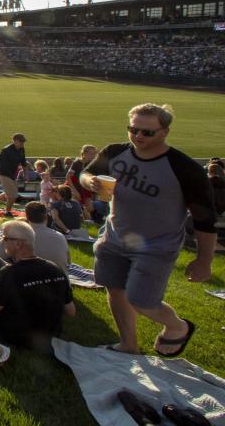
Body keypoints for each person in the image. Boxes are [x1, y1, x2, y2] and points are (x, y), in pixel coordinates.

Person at [80, 103, 216, 356]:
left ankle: (178, 327)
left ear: (165, 131)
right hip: (113, 237)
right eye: (133, 129)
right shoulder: (116, 151)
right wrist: (92, 182)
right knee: (115, 288)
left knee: (142, 301)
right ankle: (128, 344)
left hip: (156, 245)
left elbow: (205, 220)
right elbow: (87, 174)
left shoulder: (184, 168)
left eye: (147, 132)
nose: (138, 136)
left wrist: (204, 260)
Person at [0, 220, 75, 351]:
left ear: (18, 244)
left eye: (4, 238)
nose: (2, 242)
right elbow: (71, 311)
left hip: (19, 337)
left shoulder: (10, 274)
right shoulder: (55, 269)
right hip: (51, 334)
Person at [0, 201, 69, 271]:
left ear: (26, 216)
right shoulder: (60, 236)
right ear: (46, 217)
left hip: (30, 285)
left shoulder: (20, 235)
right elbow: (68, 262)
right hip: (60, 286)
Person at [0, 134, 28, 215]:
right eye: (21, 141)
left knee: (11, 192)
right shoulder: (6, 150)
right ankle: (7, 212)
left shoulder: (21, 149)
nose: (22, 143)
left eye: (23, 141)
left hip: (12, 175)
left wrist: (26, 174)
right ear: (14, 141)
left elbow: (23, 162)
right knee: (13, 195)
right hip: (3, 173)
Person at [66, 145, 98, 218]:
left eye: (94, 154)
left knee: (90, 208)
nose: (93, 156)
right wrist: (74, 191)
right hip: (73, 186)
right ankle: (83, 220)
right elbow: (68, 177)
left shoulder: (91, 164)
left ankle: (88, 220)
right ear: (84, 154)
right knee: (77, 205)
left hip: (84, 188)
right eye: (91, 153)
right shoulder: (77, 163)